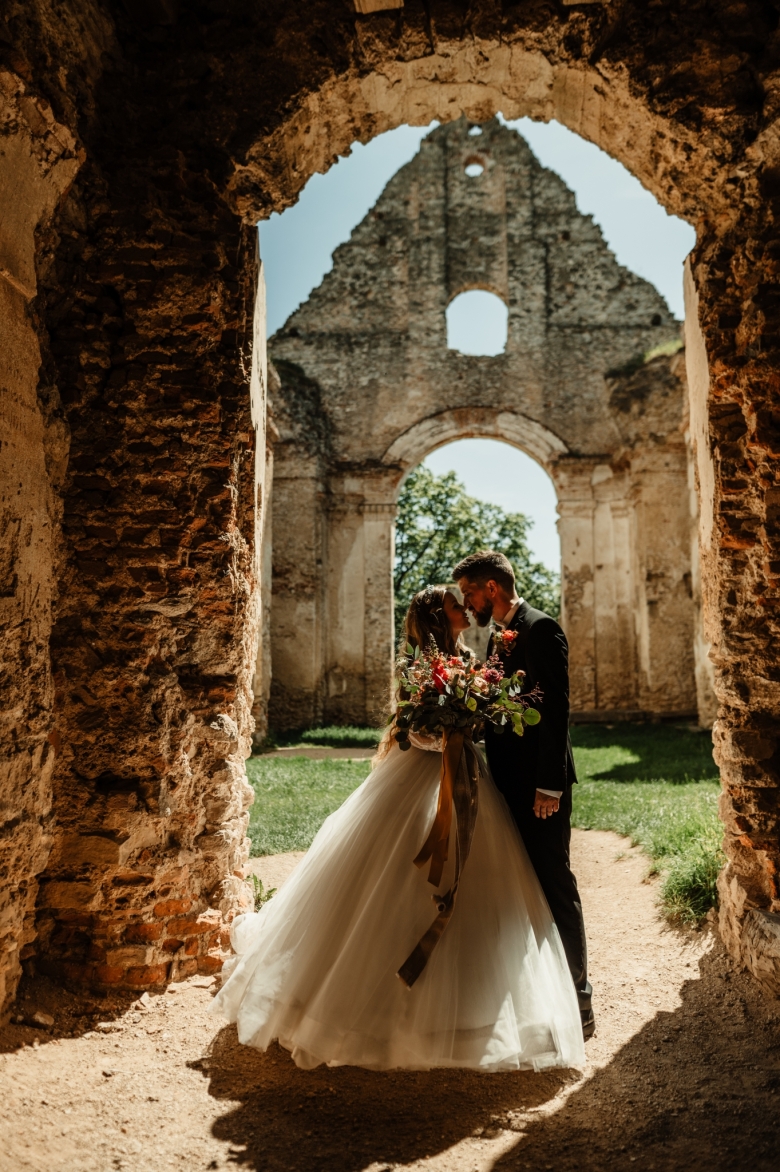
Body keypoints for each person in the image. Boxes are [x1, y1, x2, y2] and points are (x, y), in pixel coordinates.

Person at [210, 585, 585, 1072]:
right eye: (455, 605)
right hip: (419, 777)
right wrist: (448, 733)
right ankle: (372, 1008)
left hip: (467, 775)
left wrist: (470, 722)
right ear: (438, 617)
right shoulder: (414, 666)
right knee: (397, 877)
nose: (464, 609)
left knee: (481, 880)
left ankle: (474, 1008)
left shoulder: (470, 658)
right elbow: (413, 730)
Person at [453, 550, 595, 1039]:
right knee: (522, 887)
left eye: (469, 592)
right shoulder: (499, 635)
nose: (467, 603)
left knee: (554, 882)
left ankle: (580, 997)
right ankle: (539, 996)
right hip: (508, 783)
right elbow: (502, 707)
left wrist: (549, 784)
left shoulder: (540, 629)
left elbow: (555, 711)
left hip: (539, 788)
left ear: (491, 588)